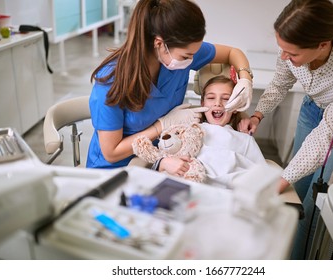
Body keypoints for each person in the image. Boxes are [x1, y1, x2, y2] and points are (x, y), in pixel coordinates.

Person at [238, 0, 333, 259]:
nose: (284, 57)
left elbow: (328, 132)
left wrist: (278, 182)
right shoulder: (292, 47)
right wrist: (258, 114)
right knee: (296, 189)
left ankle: (297, 264)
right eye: (281, 49)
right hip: (313, 108)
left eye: (292, 54)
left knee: (316, 204)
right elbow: (280, 82)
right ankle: (279, 252)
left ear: (322, 45)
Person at [86, 0, 253, 169]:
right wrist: (161, 126)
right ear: (159, 44)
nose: (191, 61)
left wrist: (245, 79)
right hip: (116, 170)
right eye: (186, 56)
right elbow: (111, 152)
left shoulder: (181, 54)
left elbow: (233, 53)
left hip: (164, 158)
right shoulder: (111, 82)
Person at [156, 75, 267, 187]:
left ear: (235, 107)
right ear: (203, 103)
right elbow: (162, 158)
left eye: (226, 98)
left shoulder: (244, 139)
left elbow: (262, 176)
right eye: (211, 98)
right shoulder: (187, 132)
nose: (217, 103)